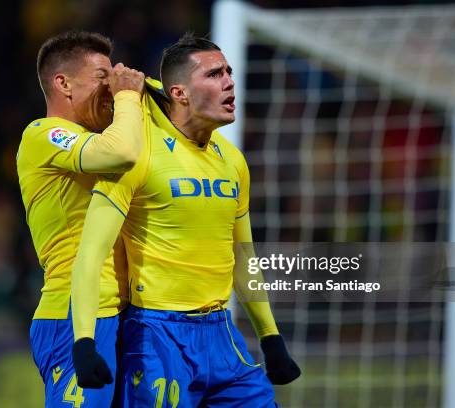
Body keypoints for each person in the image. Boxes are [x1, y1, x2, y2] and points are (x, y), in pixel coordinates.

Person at [70, 33, 300, 407]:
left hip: (222, 334)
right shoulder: (136, 153)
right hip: (157, 337)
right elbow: (91, 255)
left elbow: (243, 256)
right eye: (213, 74)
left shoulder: (233, 160)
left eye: (228, 72)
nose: (229, 82)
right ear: (179, 93)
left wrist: (270, 338)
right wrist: (83, 341)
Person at [16, 30, 144, 407]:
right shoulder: (43, 134)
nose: (110, 87)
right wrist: (126, 97)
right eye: (102, 77)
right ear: (64, 83)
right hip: (72, 316)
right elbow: (121, 153)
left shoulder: (103, 135)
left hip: (123, 314)